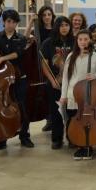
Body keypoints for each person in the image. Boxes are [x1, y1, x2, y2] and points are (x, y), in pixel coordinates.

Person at [0, 9, 33, 150]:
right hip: (2, 79)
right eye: (8, 21)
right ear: (4, 22)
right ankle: (2, 137)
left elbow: (17, 54)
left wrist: (1, 59)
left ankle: (25, 136)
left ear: (17, 23)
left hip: (19, 77)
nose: (11, 24)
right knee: (2, 107)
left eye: (14, 22)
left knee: (22, 107)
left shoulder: (21, 38)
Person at [60, 30, 96, 160]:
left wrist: (95, 76)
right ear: (77, 40)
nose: (83, 42)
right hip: (71, 94)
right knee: (75, 121)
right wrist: (63, 95)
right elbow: (65, 77)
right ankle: (80, 144)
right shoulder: (71, 56)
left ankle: (88, 146)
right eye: (80, 39)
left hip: (88, 95)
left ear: (90, 40)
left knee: (88, 121)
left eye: (86, 39)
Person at [40, 16, 74, 149]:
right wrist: (52, 80)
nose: (64, 28)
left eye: (66, 25)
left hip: (71, 83)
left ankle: (72, 137)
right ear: (57, 27)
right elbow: (44, 63)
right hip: (55, 82)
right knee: (56, 112)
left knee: (72, 111)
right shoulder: (48, 42)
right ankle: (57, 139)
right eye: (61, 25)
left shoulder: (75, 41)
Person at [25, 5, 56, 132]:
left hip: (53, 64)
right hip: (38, 65)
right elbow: (25, 39)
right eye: (44, 15)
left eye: (49, 14)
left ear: (52, 16)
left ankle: (52, 119)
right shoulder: (37, 30)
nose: (47, 17)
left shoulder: (56, 30)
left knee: (52, 93)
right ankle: (47, 118)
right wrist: (31, 22)